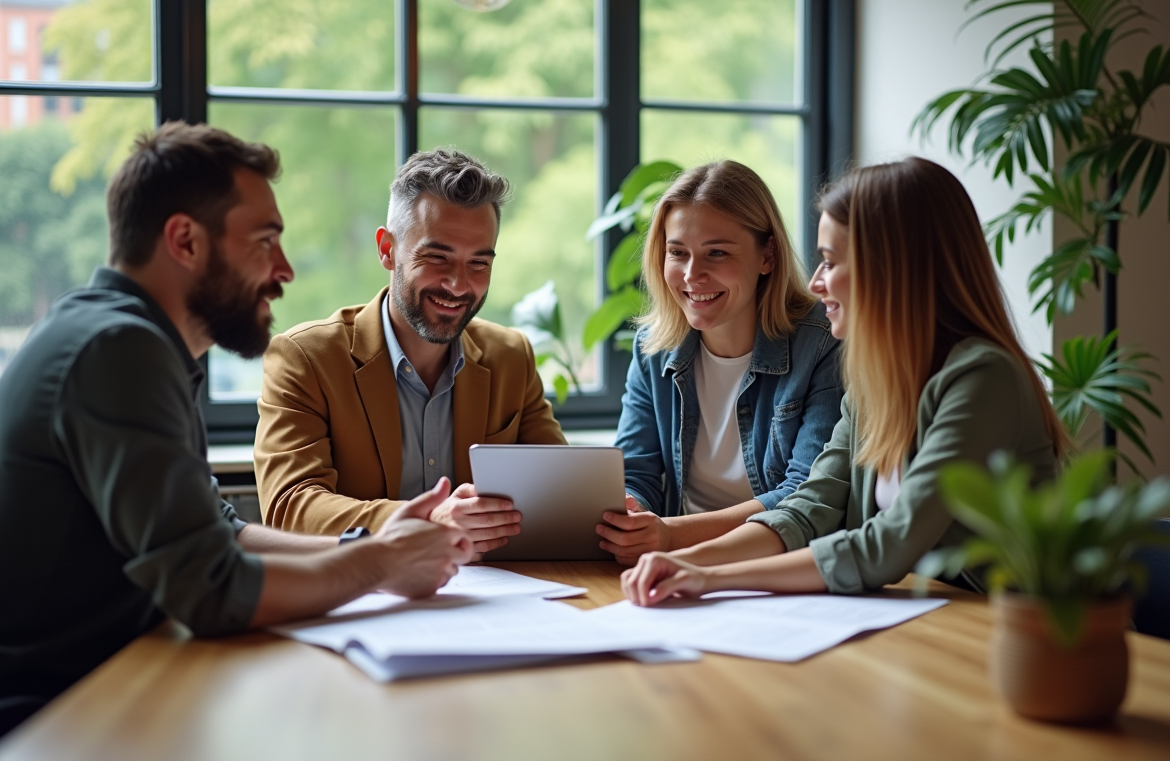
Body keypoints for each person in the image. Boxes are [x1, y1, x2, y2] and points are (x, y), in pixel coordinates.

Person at [0, 123, 473, 738]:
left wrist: (366, 548)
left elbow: (213, 532)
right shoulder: (119, 350)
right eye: (265, 241)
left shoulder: (132, 339)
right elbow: (210, 587)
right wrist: (379, 564)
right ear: (185, 241)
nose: (285, 270)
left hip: (119, 685)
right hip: (55, 715)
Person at [621, 157, 1066, 604]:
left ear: (893, 268)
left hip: (1018, 630)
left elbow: (891, 542)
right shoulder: (876, 382)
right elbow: (808, 507)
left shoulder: (983, 379)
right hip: (927, 617)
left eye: (831, 262)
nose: (816, 284)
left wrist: (708, 577)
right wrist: (689, 563)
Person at [254, 149, 566, 559]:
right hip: (362, 593)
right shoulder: (305, 359)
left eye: (479, 263)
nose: (458, 285)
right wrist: (427, 522)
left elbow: (562, 495)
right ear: (387, 249)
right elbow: (289, 507)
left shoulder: (511, 356)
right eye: (437, 257)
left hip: (490, 596)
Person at [597, 161, 843, 565]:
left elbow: (805, 494)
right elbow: (635, 473)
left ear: (767, 255)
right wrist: (631, 513)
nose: (694, 275)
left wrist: (669, 535)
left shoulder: (821, 343)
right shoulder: (653, 348)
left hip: (775, 566)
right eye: (678, 253)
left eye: (717, 253)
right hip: (672, 565)